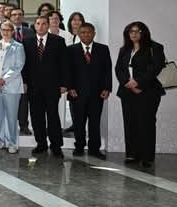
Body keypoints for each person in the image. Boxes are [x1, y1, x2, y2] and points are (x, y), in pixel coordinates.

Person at [115, 21, 165, 168]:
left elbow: (155, 68)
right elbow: (119, 69)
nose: (134, 34)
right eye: (131, 31)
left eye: (137, 31)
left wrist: (138, 83)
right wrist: (127, 83)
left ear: (144, 33)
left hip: (148, 91)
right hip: (127, 92)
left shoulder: (155, 47)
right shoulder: (124, 49)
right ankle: (132, 154)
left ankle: (147, 157)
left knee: (146, 123)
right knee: (130, 123)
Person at [22, 16, 68, 157]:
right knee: (37, 116)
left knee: (53, 116)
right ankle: (41, 144)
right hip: (33, 86)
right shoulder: (27, 41)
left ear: (48, 25)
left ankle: (56, 146)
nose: (41, 26)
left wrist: (64, 83)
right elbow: (24, 64)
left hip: (52, 86)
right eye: (38, 23)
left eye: (44, 24)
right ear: (34, 26)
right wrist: (24, 82)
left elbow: (64, 64)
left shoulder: (58, 41)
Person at [66, 23, 111, 159]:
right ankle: (79, 147)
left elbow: (107, 70)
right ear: (79, 34)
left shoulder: (103, 49)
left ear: (94, 34)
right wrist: (70, 87)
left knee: (95, 122)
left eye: (89, 32)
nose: (86, 35)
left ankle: (94, 149)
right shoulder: (71, 50)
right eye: (83, 32)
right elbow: (67, 71)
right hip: (77, 93)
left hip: (97, 93)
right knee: (79, 122)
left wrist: (107, 88)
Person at [0, 21, 25, 154]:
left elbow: (18, 65)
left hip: (11, 86)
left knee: (11, 116)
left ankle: (12, 143)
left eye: (8, 30)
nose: (6, 32)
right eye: (3, 30)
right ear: (0, 31)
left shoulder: (18, 47)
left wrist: (3, 79)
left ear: (13, 31)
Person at [10, 7, 34, 135]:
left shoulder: (30, 31)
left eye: (20, 14)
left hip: (26, 70)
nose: (17, 17)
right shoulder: (5, 30)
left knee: (24, 100)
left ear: (23, 16)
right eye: (14, 14)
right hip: (9, 71)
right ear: (10, 17)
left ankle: (24, 125)